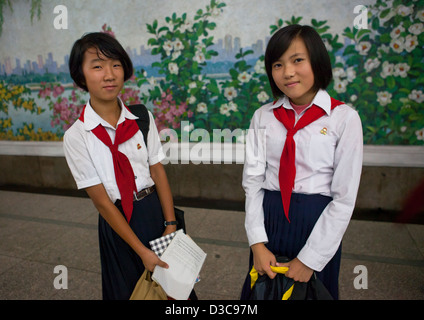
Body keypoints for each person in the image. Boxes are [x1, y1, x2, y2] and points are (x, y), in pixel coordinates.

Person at [240, 24, 363, 300]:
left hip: (317, 223)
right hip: (269, 220)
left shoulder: (344, 119)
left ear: (317, 61)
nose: (288, 72)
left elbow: (344, 198)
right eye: (278, 64)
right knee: (263, 293)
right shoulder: (263, 116)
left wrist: (311, 258)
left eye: (297, 60)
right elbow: (252, 183)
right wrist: (257, 243)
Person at [63, 32, 179, 299]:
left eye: (116, 64)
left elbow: (157, 170)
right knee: (129, 291)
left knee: (174, 292)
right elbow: (102, 202)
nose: (109, 74)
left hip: (154, 212)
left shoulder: (140, 117)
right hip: (118, 223)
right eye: (97, 66)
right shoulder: (77, 136)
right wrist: (142, 252)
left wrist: (171, 224)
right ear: (80, 76)